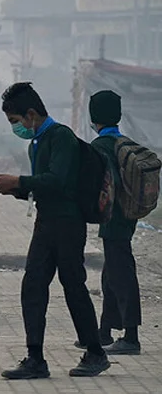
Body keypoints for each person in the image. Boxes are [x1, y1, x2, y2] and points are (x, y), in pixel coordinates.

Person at [0, 82, 110, 378]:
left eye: (16, 122)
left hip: (68, 224)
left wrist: (19, 182)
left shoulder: (61, 137)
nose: (16, 128)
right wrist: (14, 188)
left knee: (73, 286)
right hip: (46, 223)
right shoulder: (38, 142)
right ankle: (35, 358)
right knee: (32, 287)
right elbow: (43, 185)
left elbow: (57, 181)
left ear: (31, 114)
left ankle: (95, 352)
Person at [81, 90, 141, 355]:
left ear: (94, 118)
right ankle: (105, 330)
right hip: (127, 217)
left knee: (122, 273)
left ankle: (131, 336)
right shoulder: (125, 144)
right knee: (112, 272)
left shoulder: (99, 147)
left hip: (112, 218)